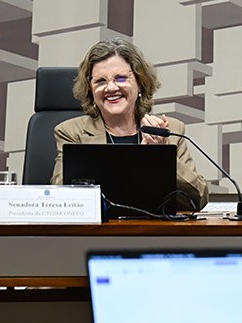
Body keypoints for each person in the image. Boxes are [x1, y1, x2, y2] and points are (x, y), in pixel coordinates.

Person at [51, 38, 208, 210]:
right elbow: (61, 197)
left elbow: (197, 199)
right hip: (96, 234)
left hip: (155, 233)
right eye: (101, 81)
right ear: (90, 89)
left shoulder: (170, 130)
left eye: (120, 78)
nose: (111, 88)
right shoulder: (71, 133)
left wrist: (162, 155)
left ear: (140, 83)